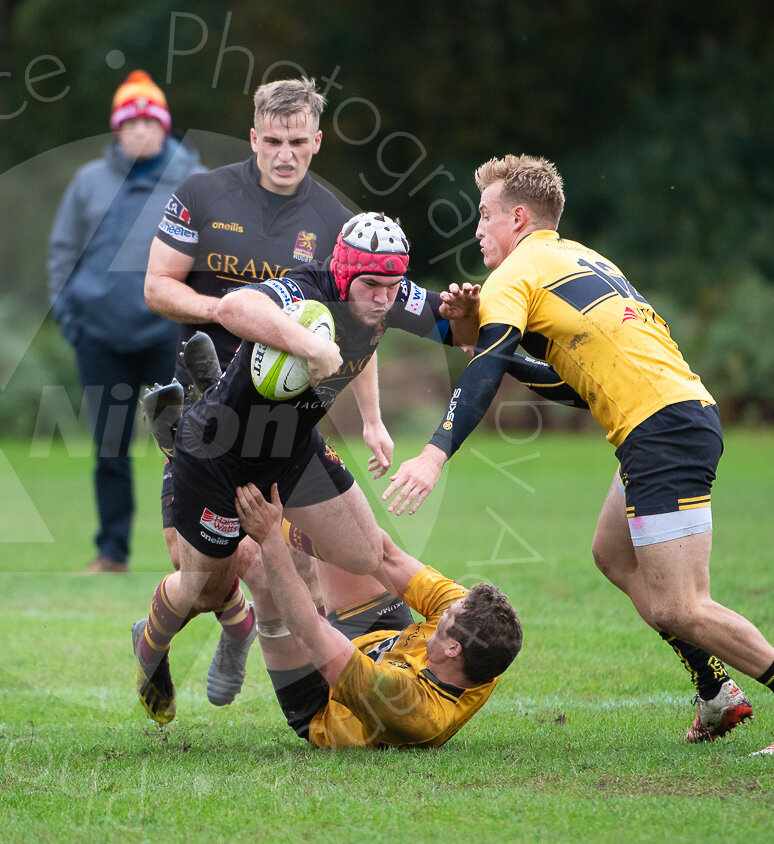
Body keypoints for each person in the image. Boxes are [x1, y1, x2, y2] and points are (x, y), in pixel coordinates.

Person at [385, 154, 774, 754]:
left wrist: (433, 454)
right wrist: (483, 336)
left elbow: (485, 373)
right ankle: (715, 692)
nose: (477, 229)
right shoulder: (578, 258)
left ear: (518, 217)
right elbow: (577, 387)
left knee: (684, 606)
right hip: (668, 420)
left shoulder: (512, 277)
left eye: (484, 215)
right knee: (612, 554)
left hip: (663, 430)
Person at [132, 212, 480, 724]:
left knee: (363, 554)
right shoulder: (305, 290)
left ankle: (259, 531)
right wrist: (310, 344)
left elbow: (457, 333)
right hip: (220, 452)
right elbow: (234, 305)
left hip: (293, 448)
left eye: (393, 284)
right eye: (371, 285)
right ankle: (149, 647)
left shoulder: (385, 298)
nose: (383, 297)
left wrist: (376, 416)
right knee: (201, 588)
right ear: (342, 273)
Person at [140, 76, 357, 707]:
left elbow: (359, 319)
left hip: (287, 417)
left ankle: (312, 709)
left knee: (295, 564)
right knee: (204, 580)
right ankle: (225, 631)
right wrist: (234, 311)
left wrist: (370, 418)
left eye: (297, 141)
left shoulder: (335, 222)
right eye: (272, 141)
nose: (284, 153)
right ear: (253, 138)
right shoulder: (203, 194)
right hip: (207, 410)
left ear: (316, 142)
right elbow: (157, 287)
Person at [47, 70, 207, 575]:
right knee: (109, 446)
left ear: (164, 127)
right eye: (131, 122)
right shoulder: (87, 183)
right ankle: (112, 552)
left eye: (149, 122)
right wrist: (72, 319)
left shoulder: (193, 180)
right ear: (117, 130)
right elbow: (62, 254)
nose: (141, 131)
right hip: (100, 336)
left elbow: (210, 253)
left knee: (187, 444)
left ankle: (193, 550)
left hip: (168, 333)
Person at [234, 483, 521, 748]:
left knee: (258, 565)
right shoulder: (480, 637)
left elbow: (311, 631)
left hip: (325, 702)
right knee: (337, 531)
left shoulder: (411, 708)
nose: (447, 606)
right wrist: (314, 479)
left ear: (452, 647)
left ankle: (223, 593)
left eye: (446, 615)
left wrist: (271, 537)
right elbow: (383, 554)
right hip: (384, 638)